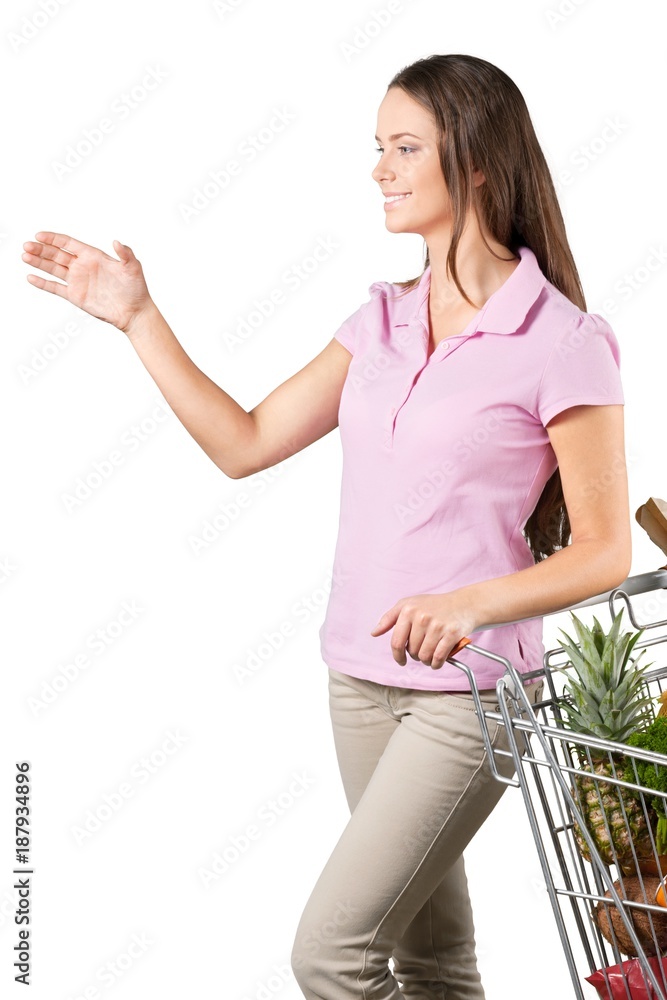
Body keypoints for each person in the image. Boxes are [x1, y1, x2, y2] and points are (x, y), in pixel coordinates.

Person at [21, 52, 631, 999]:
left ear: (472, 161)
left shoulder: (561, 340)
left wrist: (471, 600)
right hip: (356, 680)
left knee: (331, 958)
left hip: (468, 699)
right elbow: (246, 441)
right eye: (376, 148)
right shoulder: (377, 322)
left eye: (403, 148)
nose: (379, 169)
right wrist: (138, 318)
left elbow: (605, 548)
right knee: (431, 961)